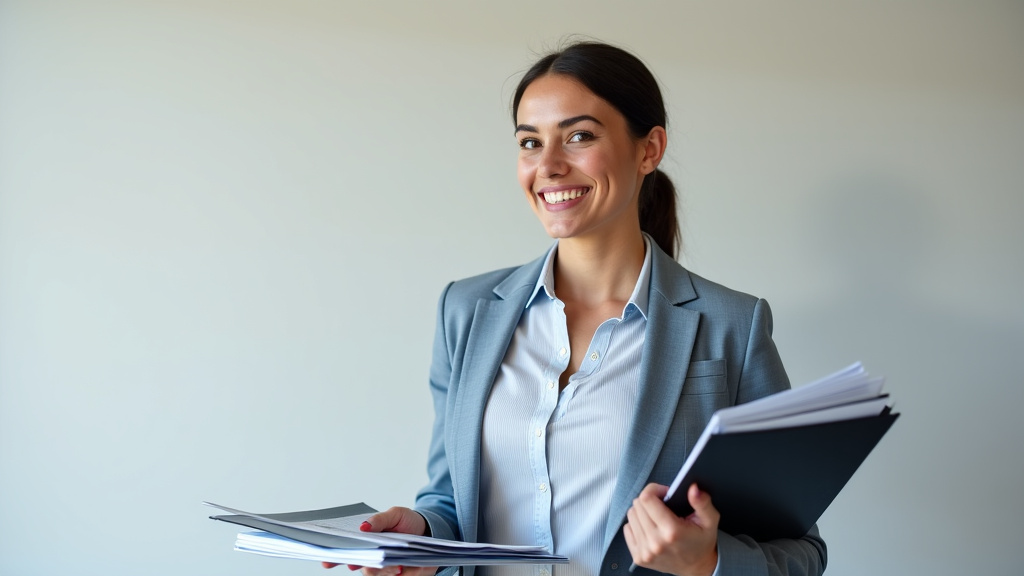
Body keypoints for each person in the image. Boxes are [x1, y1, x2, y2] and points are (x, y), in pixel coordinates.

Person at [326, 41, 826, 576]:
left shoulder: (731, 327)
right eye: (530, 142)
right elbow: (452, 501)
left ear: (649, 149)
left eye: (579, 136)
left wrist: (708, 561)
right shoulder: (466, 312)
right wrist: (423, 539)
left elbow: (800, 551)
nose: (549, 166)